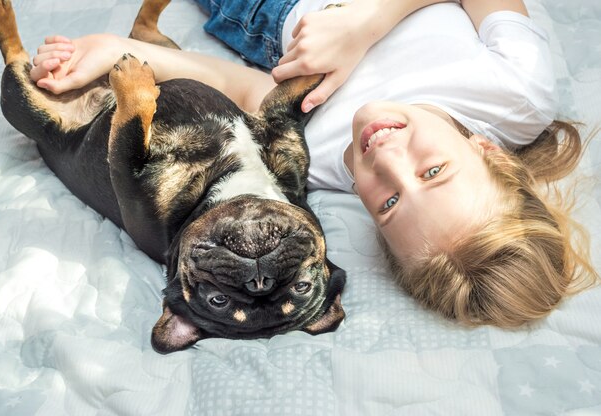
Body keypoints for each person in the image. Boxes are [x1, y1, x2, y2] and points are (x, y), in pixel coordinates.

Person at [30, 0, 597, 327]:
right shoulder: (516, 93)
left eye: (390, 202)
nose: (386, 157)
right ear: (487, 153)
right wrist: (363, 24)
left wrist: (120, 53)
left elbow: (251, 91)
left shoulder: (327, 162)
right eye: (433, 171)